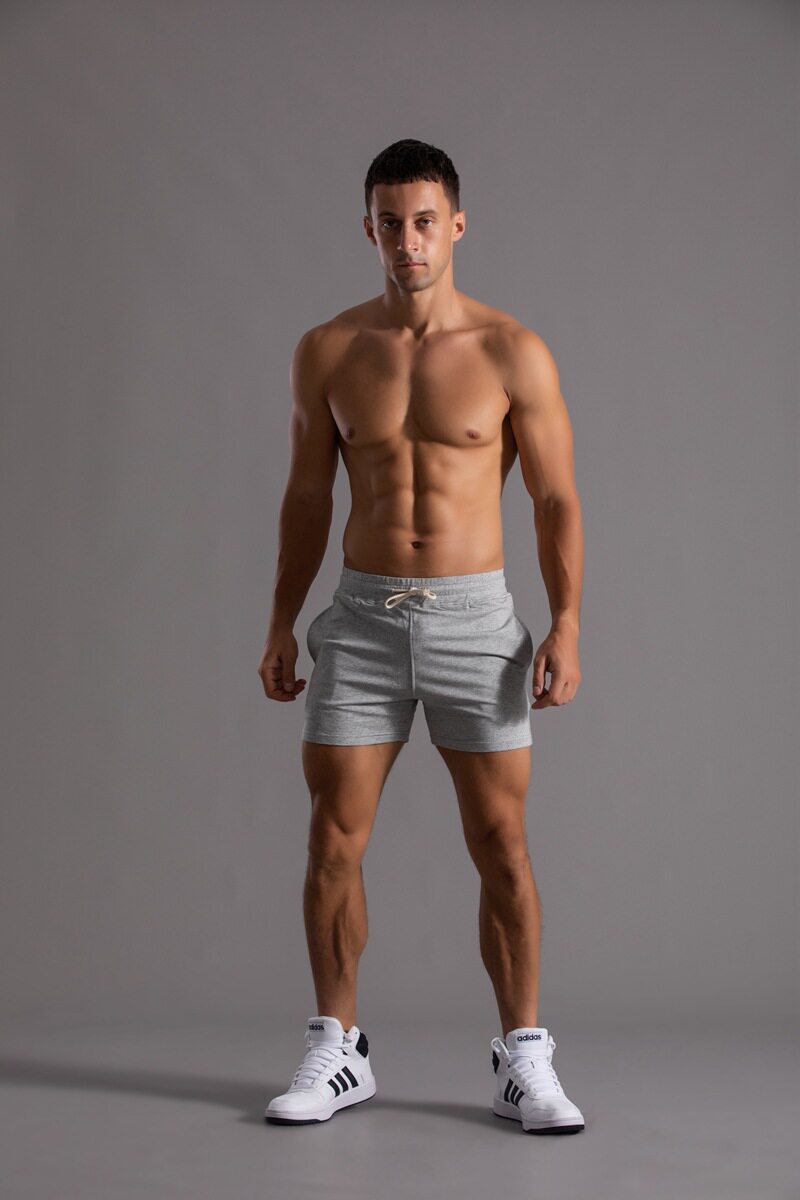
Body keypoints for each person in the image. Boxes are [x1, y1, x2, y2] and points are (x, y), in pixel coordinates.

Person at [258, 139, 586, 1134]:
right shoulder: (328, 349)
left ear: (457, 226)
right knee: (332, 838)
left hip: (474, 620)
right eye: (391, 223)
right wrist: (281, 619)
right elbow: (307, 496)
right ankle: (336, 1048)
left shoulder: (510, 350)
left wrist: (566, 621)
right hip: (361, 620)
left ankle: (524, 1060)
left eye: (425, 221)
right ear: (368, 229)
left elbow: (555, 499)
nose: (409, 240)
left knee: (501, 843)